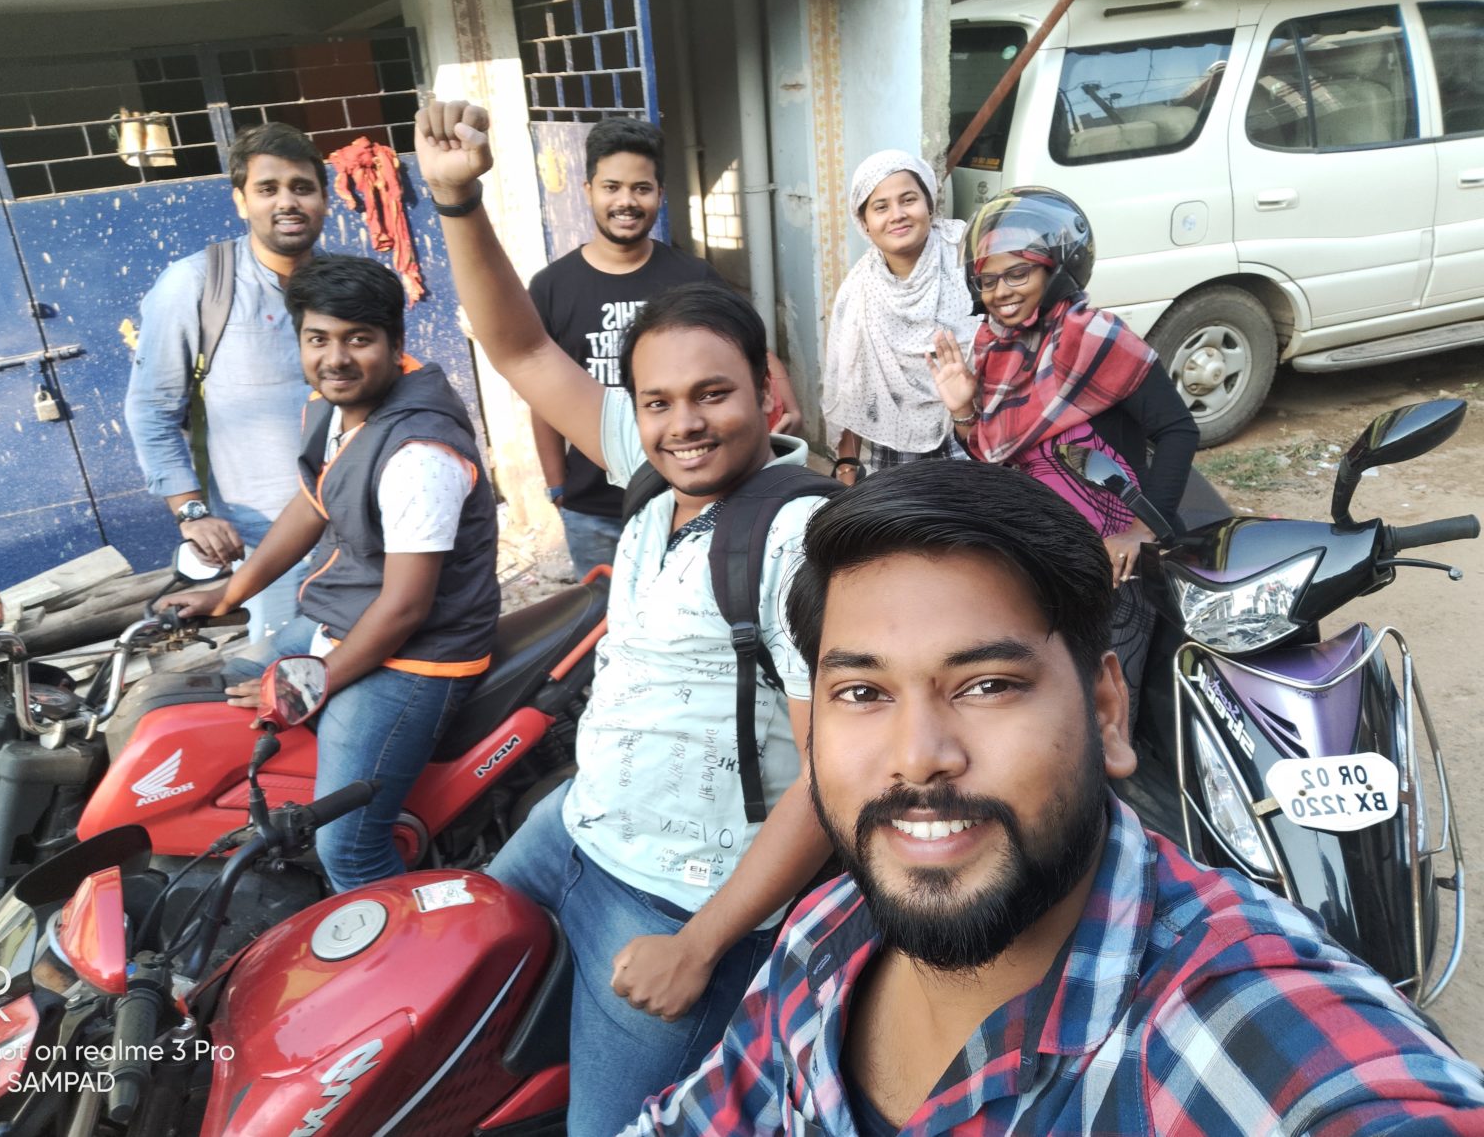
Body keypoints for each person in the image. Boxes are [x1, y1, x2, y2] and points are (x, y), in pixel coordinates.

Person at [627, 460, 1484, 1135]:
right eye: (862, 693)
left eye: (989, 685)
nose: (918, 758)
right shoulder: (824, 934)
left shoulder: (1245, 1038)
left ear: (1106, 711)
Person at [415, 98, 831, 1137]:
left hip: (679, 898)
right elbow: (517, 346)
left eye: (713, 395)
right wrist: (456, 200)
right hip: (572, 828)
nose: (684, 423)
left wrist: (701, 944)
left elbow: (837, 774)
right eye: (657, 402)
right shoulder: (651, 476)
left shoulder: (801, 537)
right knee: (459, 1003)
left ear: (767, 393)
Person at [160, 254, 499, 893]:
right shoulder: (332, 407)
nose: (335, 359)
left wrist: (304, 688)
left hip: (414, 655)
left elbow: (405, 608)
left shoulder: (419, 453)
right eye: (318, 339)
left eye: (358, 339)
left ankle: (397, 944)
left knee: (347, 844)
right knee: (210, 696)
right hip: (336, 619)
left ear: (395, 343)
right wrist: (229, 593)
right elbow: (311, 504)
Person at [928, 186, 1198, 710]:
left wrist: (1142, 529)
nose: (1001, 292)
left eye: (1018, 274)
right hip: (1041, 554)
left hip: (1112, 567)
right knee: (1053, 697)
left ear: (1057, 270)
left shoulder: (1096, 338)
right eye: (988, 280)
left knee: (1109, 704)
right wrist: (962, 410)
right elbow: (994, 458)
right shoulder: (994, 348)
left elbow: (1178, 430)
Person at [529, 116, 802, 576]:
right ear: (588, 190)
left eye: (641, 188)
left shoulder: (692, 276)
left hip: (691, 495)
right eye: (611, 187)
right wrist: (558, 485)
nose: (626, 201)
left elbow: (748, 347)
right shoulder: (552, 287)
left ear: (660, 193)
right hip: (594, 507)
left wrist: (784, 397)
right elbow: (542, 396)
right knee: (604, 614)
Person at [124, 122, 328, 640]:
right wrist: (191, 513)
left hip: (361, 529)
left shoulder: (345, 285)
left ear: (324, 199)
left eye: (302, 187)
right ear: (241, 202)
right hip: (266, 543)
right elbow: (151, 410)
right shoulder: (197, 284)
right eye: (268, 189)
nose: (287, 202)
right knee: (287, 669)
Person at [821, 150, 981, 486]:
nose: (897, 215)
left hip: (980, 439)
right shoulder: (858, 293)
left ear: (929, 204)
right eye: (881, 207)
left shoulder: (969, 256)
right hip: (895, 449)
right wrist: (847, 467)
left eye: (908, 200)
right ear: (864, 222)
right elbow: (850, 386)